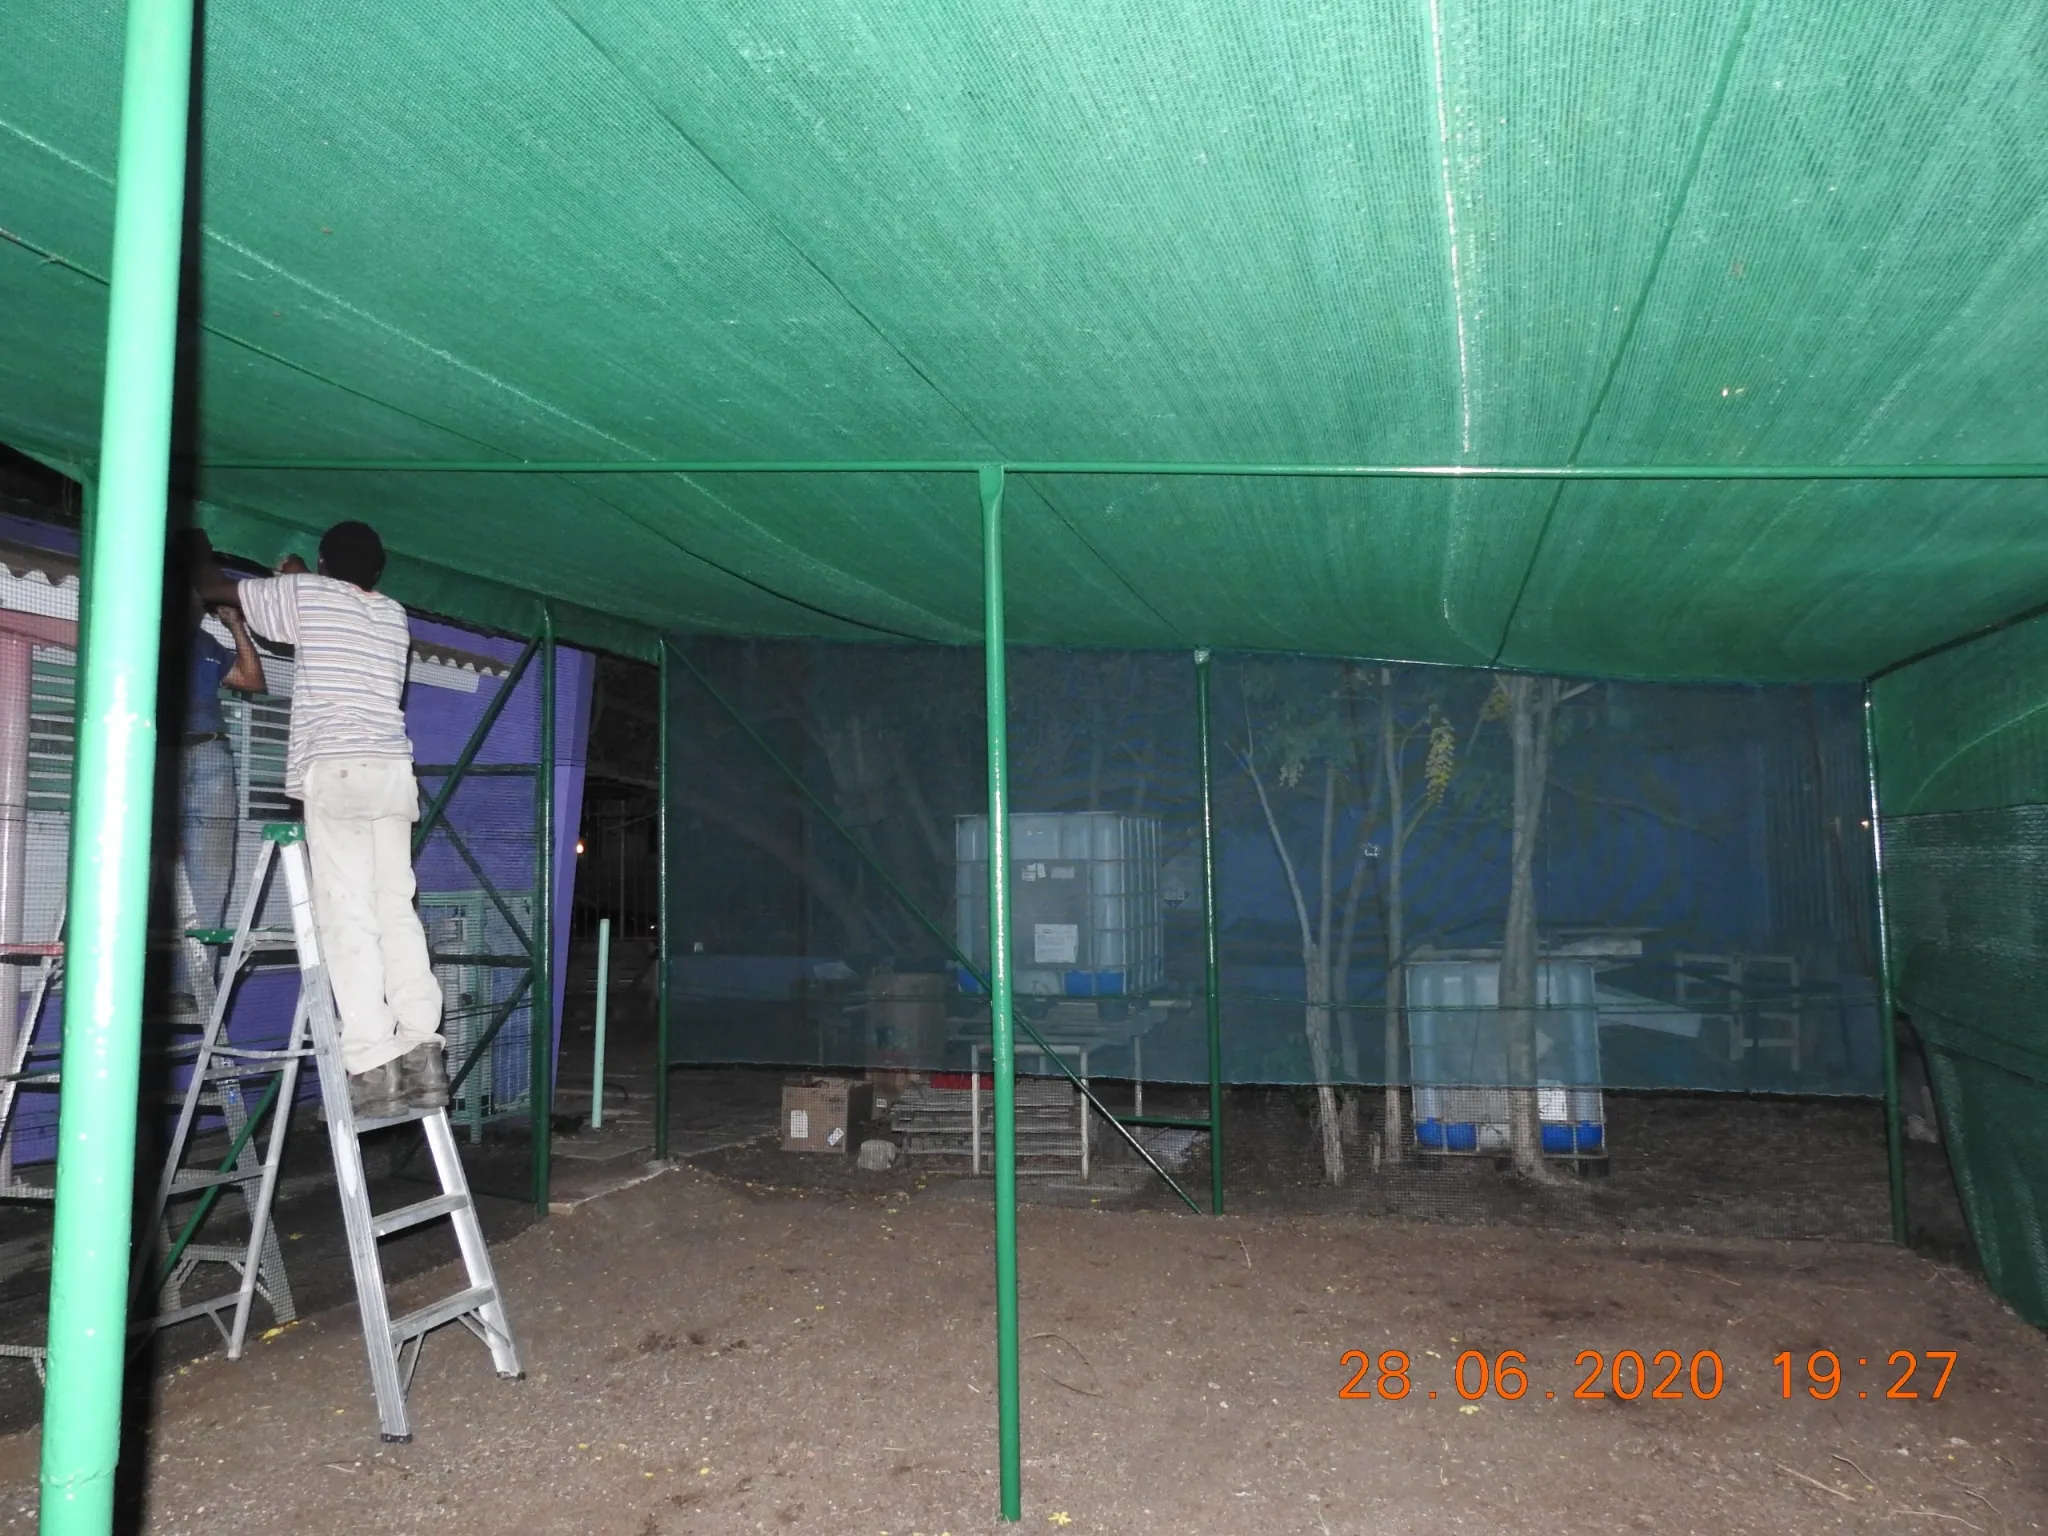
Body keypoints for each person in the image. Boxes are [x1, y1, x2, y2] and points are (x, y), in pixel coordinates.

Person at [196, 523, 447, 1118]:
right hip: (393, 772)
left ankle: (372, 1061)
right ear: (378, 572)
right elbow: (326, 602)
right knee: (395, 909)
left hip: (337, 769)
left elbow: (216, 587)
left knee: (347, 915)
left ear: (324, 563)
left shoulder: (308, 594)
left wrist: (200, 550)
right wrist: (299, 578)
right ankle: (422, 1048)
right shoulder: (392, 614)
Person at [168, 531, 267, 1016]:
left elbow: (253, 681)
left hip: (209, 756)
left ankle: (191, 989)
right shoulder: (143, 631)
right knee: (146, 873)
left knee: (210, 878)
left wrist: (236, 626)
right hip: (159, 758)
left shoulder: (206, 643)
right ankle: (141, 981)